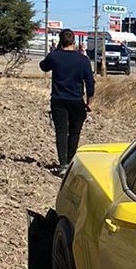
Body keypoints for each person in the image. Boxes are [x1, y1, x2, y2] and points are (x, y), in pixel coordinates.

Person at [39, 28, 95, 177]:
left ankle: (62, 165)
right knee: (74, 132)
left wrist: (55, 50)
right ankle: (70, 162)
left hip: (58, 100)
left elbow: (43, 66)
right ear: (74, 42)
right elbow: (90, 82)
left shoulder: (54, 57)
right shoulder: (83, 60)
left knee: (61, 132)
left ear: (60, 41)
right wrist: (89, 102)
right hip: (77, 101)